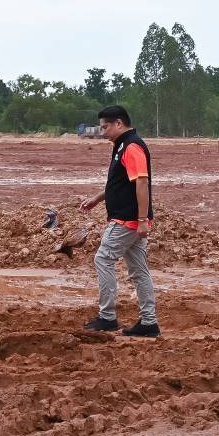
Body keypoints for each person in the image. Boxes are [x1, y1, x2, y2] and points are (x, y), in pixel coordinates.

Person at [77, 105, 159, 337]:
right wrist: (97, 198)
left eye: (105, 127)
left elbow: (141, 182)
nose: (103, 132)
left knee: (103, 259)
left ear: (119, 123)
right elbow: (120, 183)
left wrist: (142, 219)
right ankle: (149, 323)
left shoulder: (131, 146)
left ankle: (107, 317)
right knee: (139, 271)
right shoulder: (121, 145)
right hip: (130, 219)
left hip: (127, 220)